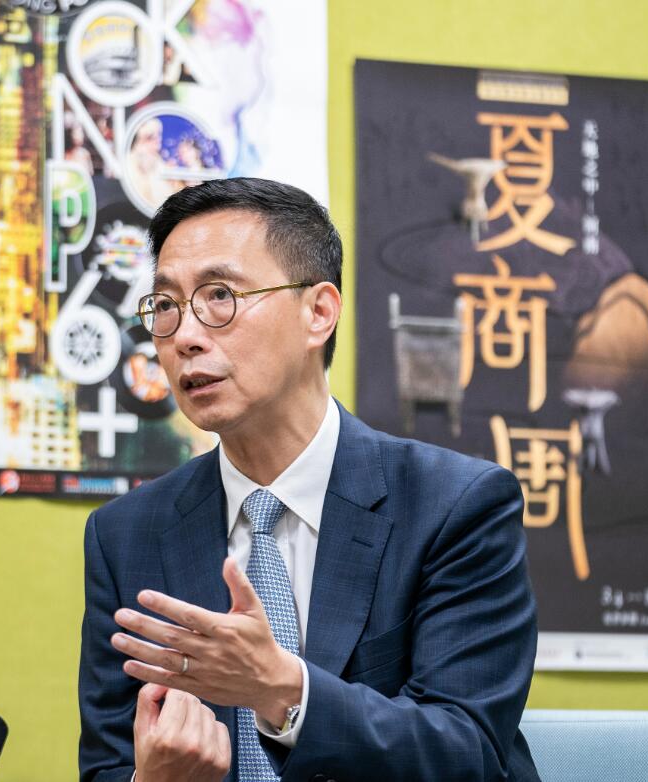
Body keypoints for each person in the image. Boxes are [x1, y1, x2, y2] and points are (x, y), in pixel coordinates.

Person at [78, 177, 540, 781]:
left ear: (318, 312)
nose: (185, 336)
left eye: (220, 296)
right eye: (166, 306)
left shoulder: (455, 505)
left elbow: (467, 752)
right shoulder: (125, 536)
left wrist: (282, 690)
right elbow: (109, 763)